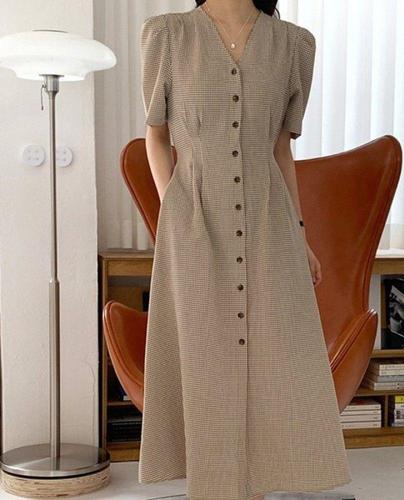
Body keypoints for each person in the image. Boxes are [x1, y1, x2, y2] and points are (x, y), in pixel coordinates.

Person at [138, 1, 352, 499]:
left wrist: (300, 233)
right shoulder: (167, 35)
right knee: (205, 362)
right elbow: (156, 136)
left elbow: (280, 149)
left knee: (276, 361)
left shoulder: (293, 44)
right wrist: (175, 210)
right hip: (194, 226)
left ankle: (259, 486)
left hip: (269, 225)